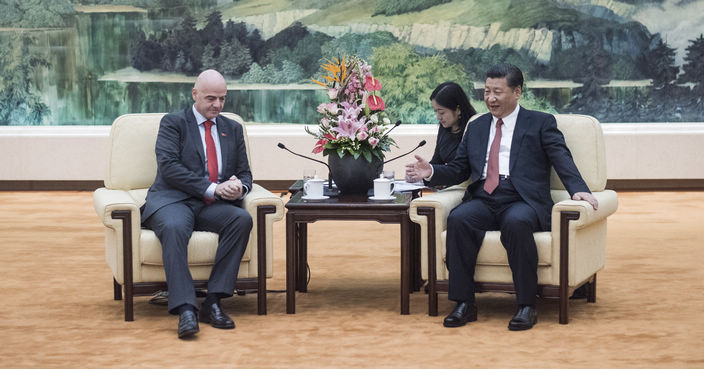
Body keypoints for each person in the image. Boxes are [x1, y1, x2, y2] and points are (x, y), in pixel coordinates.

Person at [405, 63, 598, 331]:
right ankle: (464, 303)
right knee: (460, 219)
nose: (490, 98)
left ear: (517, 91)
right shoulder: (477, 126)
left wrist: (578, 188)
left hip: (522, 198)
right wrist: (432, 172)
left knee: (517, 223)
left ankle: (526, 305)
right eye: (486, 91)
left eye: (498, 91)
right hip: (484, 196)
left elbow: (561, 157)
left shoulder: (540, 122)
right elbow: (460, 169)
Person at [141, 69, 253, 339]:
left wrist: (239, 187)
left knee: (241, 220)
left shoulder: (233, 128)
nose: (217, 105)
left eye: (222, 99)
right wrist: (214, 187)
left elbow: (245, 173)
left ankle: (213, 301)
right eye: (211, 98)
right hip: (173, 200)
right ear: (195, 95)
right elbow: (169, 169)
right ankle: (185, 308)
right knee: (176, 227)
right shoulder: (173, 123)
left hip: (210, 204)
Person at [428, 82, 477, 166]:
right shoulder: (444, 128)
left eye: (441, 112)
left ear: (458, 109)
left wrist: (431, 171)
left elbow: (461, 168)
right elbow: (437, 162)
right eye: (435, 112)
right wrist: (420, 171)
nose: (438, 117)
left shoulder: (474, 129)